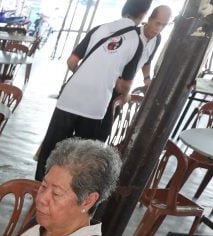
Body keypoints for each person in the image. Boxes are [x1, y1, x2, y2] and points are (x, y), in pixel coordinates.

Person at [36, 0, 150, 179]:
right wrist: (122, 91)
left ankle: (39, 186)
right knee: (83, 156)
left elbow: (71, 62)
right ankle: (67, 191)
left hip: (69, 97)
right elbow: (124, 85)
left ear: (124, 9)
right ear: (143, 15)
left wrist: (85, 75)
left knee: (52, 147)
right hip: (95, 105)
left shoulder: (99, 28)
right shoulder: (137, 41)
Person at [98, 4, 171, 139]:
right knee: (95, 124)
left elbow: (147, 61)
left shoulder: (157, 39)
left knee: (106, 129)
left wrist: (147, 78)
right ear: (149, 19)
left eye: (164, 25)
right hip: (111, 83)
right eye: (157, 23)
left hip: (124, 87)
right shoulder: (132, 35)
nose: (159, 28)